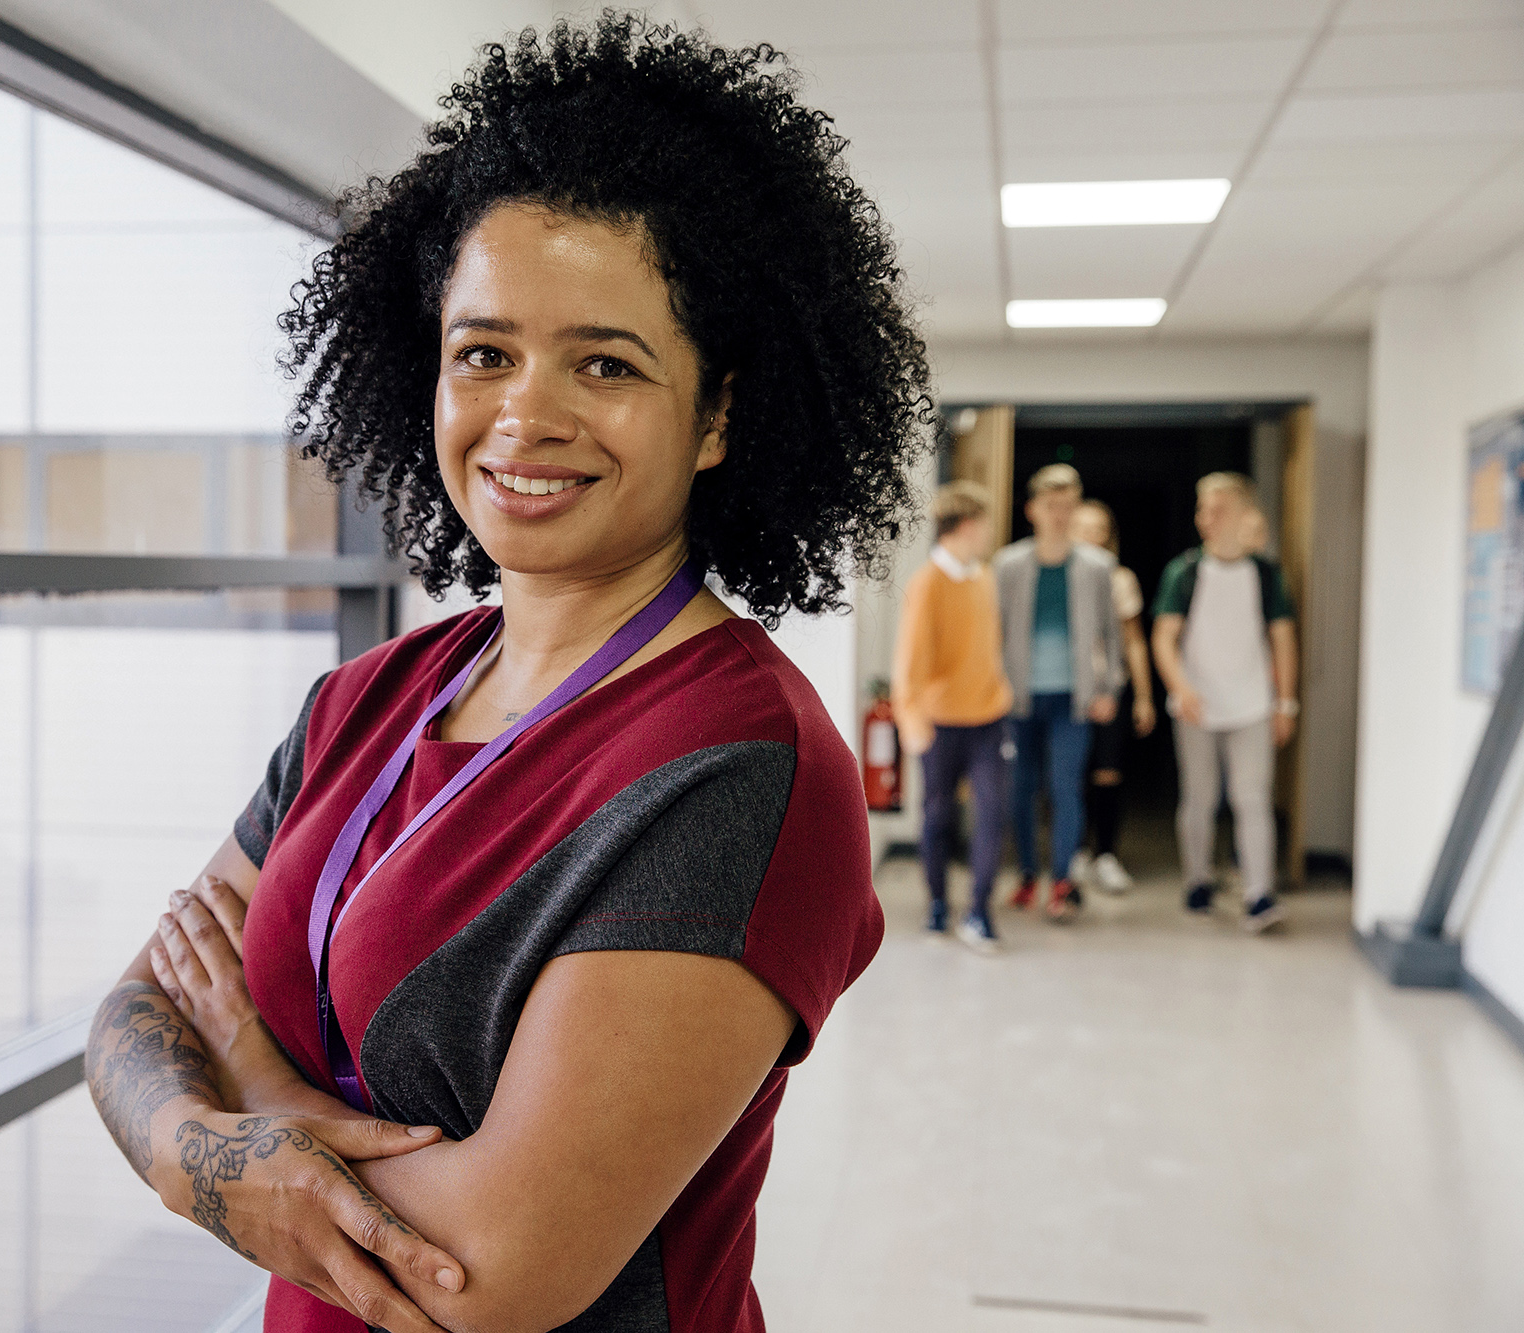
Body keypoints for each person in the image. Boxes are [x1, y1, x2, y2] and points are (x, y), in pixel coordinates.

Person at [81, 18, 932, 1332]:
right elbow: (138, 1006)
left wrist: (243, 1081)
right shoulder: (369, 697)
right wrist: (211, 1148)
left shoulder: (741, 768)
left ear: (715, 415)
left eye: (605, 361)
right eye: (485, 351)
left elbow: (488, 1274)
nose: (526, 414)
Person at [1152, 472, 1299, 932]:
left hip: (1252, 704)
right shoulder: (1185, 571)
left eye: (1218, 509)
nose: (1207, 518)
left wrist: (1286, 703)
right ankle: (1198, 880)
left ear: (1243, 515)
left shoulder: (1265, 573)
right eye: (1202, 509)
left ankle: (1259, 894)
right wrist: (1181, 687)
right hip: (1197, 704)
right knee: (1199, 798)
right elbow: (1164, 637)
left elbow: (1282, 638)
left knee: (1251, 798)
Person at [994, 464, 1124, 920]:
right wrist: (993, 688)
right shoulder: (1008, 565)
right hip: (1020, 696)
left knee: (1066, 788)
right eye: (1052, 506)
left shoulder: (1097, 566)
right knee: (1021, 790)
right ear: (1032, 510)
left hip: (1075, 696)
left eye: (1068, 506)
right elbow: (994, 631)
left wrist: (1110, 687)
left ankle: (1063, 881)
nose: (1060, 514)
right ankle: (1029, 875)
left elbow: (1112, 632)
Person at [893, 481, 1012, 954]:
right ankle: (938, 904)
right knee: (939, 816)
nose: (989, 534)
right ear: (965, 526)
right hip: (939, 724)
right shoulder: (928, 585)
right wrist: (912, 722)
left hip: (989, 719)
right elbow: (910, 662)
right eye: (984, 524)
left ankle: (979, 912)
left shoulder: (984, 576)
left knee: (991, 813)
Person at [1071, 499, 1156, 893]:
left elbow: (1134, 642)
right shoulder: (1058, 574)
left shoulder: (1120, 579)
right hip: (1067, 690)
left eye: (1099, 528)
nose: (1091, 535)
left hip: (1109, 689)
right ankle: (1072, 855)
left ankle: (1105, 854)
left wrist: (1143, 696)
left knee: (1106, 773)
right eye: (1082, 526)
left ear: (1110, 537)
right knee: (1069, 775)